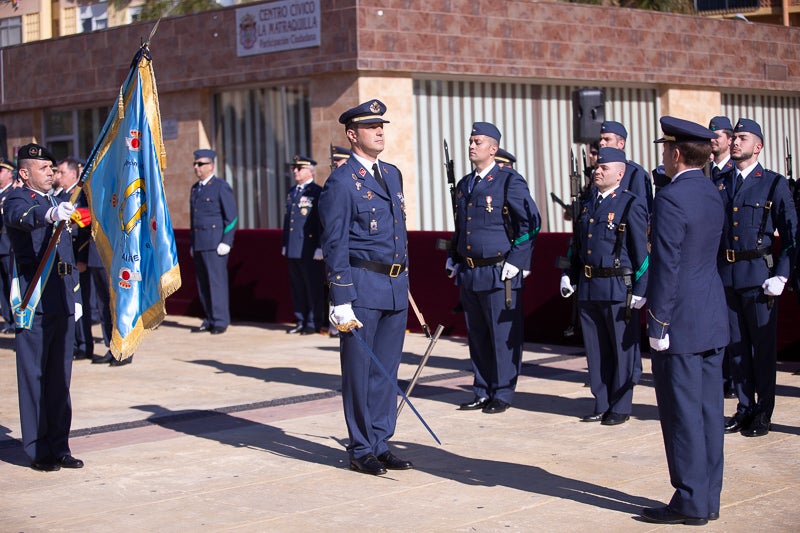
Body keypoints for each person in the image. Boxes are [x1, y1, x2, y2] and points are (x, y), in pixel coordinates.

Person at [641, 117, 729, 526]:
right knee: (709, 412)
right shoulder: (712, 191)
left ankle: (690, 500)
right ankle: (708, 497)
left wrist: (657, 323)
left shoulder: (672, 198)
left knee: (682, 414)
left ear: (676, 154)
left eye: (665, 149)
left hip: (681, 321)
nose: (663, 155)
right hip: (711, 316)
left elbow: (667, 267)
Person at [319, 99, 413, 476]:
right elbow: (334, 243)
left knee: (387, 371)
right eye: (371, 127)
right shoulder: (341, 181)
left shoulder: (392, 174)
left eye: (382, 126)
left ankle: (380, 440)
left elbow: (397, 232)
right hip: (361, 286)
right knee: (359, 371)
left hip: (393, 284)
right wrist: (340, 297)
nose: (380, 131)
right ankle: (360, 447)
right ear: (352, 134)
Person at [447, 122, 540, 414]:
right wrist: (454, 255)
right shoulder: (465, 184)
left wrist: (517, 260)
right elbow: (463, 226)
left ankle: (502, 392)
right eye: (470, 141)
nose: (471, 146)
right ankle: (482, 388)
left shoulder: (509, 180)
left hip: (500, 271)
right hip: (471, 271)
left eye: (478, 141)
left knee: (502, 337)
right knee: (478, 336)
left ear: (493, 149)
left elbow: (530, 223)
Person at [4, 143, 84, 471]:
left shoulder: (60, 200)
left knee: (59, 379)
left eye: (52, 168)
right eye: (43, 168)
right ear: (24, 173)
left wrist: (76, 298)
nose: (50, 172)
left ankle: (60, 445)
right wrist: (49, 214)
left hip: (61, 300)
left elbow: (68, 254)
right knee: (34, 377)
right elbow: (20, 218)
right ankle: (38, 450)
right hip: (34, 303)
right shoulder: (18, 198)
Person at [720, 118, 797, 438]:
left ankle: (763, 411)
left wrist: (781, 274)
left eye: (743, 138)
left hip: (759, 278)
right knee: (735, 348)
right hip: (727, 277)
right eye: (734, 137)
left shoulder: (773, 183)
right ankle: (743, 407)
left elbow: (793, 235)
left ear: (758, 146)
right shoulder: (720, 181)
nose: (736, 142)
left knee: (761, 350)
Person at [560, 147, 648, 426]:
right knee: (596, 350)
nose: (597, 171)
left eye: (604, 168)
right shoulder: (587, 203)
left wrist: (642, 288)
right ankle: (602, 401)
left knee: (622, 351)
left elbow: (641, 253)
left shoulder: (630, 203)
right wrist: (569, 275)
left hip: (617, 287)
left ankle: (620, 405)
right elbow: (578, 244)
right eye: (597, 167)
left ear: (620, 173)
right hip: (589, 286)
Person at [189, 149, 237, 335]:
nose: (196, 167)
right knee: (203, 284)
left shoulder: (220, 186)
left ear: (211, 165)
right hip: (200, 242)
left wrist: (227, 241)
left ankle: (220, 320)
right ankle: (209, 318)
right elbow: (194, 219)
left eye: (200, 164)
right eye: (195, 164)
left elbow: (231, 217)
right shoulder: (196, 188)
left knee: (216, 283)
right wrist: (193, 244)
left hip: (215, 243)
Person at [282, 155, 325, 335]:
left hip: (310, 248)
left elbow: (321, 222)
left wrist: (320, 246)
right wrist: (285, 243)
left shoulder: (317, 192)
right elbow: (288, 221)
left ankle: (313, 322)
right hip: (294, 247)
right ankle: (301, 320)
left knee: (312, 287)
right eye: (294, 168)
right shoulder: (292, 192)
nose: (295, 171)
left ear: (310, 171)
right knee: (298, 286)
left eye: (299, 168)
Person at [598, 121, 653, 212]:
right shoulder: (598, 170)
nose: (601, 143)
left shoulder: (635, 172)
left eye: (607, 139)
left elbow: (641, 210)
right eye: (600, 139)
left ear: (621, 144)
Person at [0, 157, 17, 333]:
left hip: (8, 246)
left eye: (1, 171)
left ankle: (14, 319)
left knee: (11, 284)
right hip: (1, 246)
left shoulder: (11, 193)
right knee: (2, 287)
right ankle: (8, 319)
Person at [708, 116, 736, 186]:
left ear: (730, 140)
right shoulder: (704, 170)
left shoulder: (736, 169)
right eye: (710, 136)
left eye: (716, 136)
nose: (711, 140)